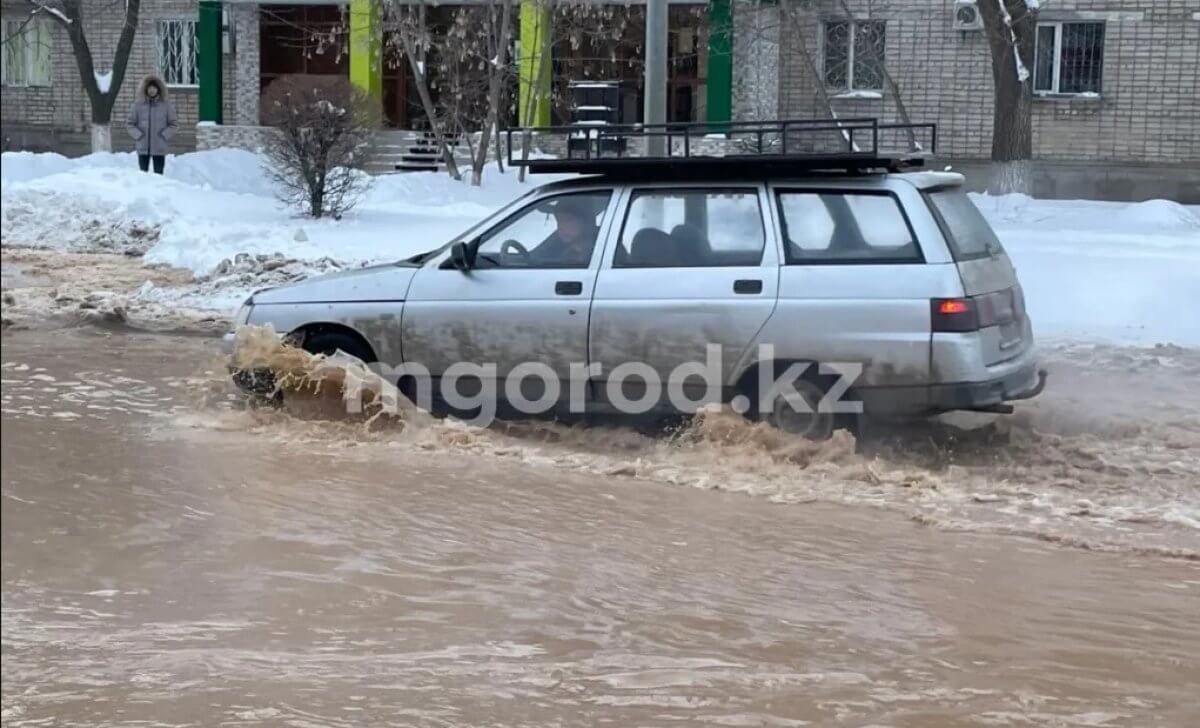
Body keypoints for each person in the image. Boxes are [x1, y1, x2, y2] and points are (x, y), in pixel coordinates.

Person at [529, 196, 603, 267]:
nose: (561, 227)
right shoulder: (552, 250)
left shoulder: (603, 249)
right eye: (559, 221)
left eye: (568, 220)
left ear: (585, 221)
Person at [126, 74, 177, 175]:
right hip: (142, 147)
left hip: (159, 147)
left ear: (159, 89)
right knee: (143, 175)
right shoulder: (137, 105)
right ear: (145, 89)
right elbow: (130, 124)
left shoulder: (166, 106)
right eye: (149, 88)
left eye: (154, 88)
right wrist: (139, 135)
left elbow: (173, 124)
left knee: (158, 175)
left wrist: (164, 135)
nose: (152, 90)